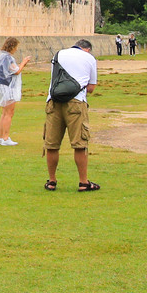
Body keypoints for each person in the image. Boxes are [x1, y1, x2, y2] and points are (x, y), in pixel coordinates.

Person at [43, 39, 101, 192]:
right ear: (87, 50)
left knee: (52, 144)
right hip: (76, 102)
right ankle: (83, 182)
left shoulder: (59, 54)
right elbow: (91, 88)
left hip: (53, 101)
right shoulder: (89, 59)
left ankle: (52, 181)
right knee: (80, 144)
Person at [0, 37, 24, 145]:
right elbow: (16, 71)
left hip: (1, 85)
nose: (16, 49)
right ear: (12, 46)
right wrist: (24, 62)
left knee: (4, 113)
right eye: (16, 47)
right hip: (8, 87)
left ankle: (1, 137)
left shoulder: (0, 56)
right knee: (9, 113)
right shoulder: (8, 58)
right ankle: (5, 138)